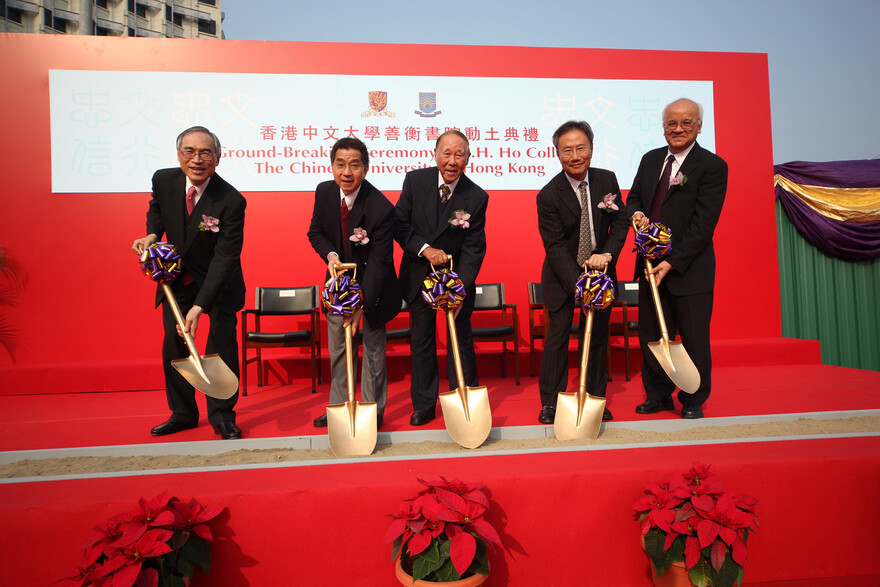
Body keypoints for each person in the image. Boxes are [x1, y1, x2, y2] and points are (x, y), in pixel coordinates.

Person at [132, 126, 246, 439]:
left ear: (218, 158)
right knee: (175, 341)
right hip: (178, 276)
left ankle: (223, 416)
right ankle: (182, 413)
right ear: (179, 155)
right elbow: (157, 208)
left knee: (220, 346)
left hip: (219, 283)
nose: (197, 159)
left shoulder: (231, 201)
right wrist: (153, 233)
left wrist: (199, 307)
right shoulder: (164, 180)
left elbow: (225, 259)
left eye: (205, 152)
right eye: (190, 152)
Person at [626, 98, 728, 419]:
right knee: (652, 336)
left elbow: (703, 225)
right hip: (647, 265)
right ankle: (658, 395)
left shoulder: (712, 166)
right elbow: (635, 199)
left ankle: (694, 398)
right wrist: (638, 213)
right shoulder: (650, 159)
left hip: (688, 269)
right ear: (663, 126)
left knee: (693, 337)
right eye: (672, 123)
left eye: (686, 123)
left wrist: (671, 261)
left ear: (699, 126)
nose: (678, 129)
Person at [535, 121, 629, 424]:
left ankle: (594, 397)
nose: (575, 156)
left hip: (601, 272)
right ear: (557, 153)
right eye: (567, 150)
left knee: (598, 337)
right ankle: (551, 402)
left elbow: (622, 222)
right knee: (558, 337)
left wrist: (608, 254)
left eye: (581, 148)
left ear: (591, 147)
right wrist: (580, 285)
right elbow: (555, 247)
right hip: (563, 276)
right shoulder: (548, 194)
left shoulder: (607, 180)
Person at [394, 130, 489, 426]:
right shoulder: (415, 181)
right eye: (446, 153)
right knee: (421, 340)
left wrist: (459, 288)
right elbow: (399, 224)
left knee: (460, 339)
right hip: (419, 274)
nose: (452, 161)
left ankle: (463, 397)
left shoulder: (476, 196)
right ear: (435, 154)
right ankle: (424, 403)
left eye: (459, 154)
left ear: (468, 159)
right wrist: (425, 249)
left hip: (455, 279)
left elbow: (474, 247)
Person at [307, 137, 400, 430]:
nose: (347, 172)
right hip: (337, 288)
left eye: (355, 165)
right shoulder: (324, 192)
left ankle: (373, 410)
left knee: (373, 352)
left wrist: (361, 305)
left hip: (374, 289)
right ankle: (338, 407)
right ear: (332, 165)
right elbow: (316, 232)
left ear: (366, 169)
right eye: (340, 164)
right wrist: (330, 254)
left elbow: (381, 262)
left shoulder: (381, 207)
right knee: (338, 351)